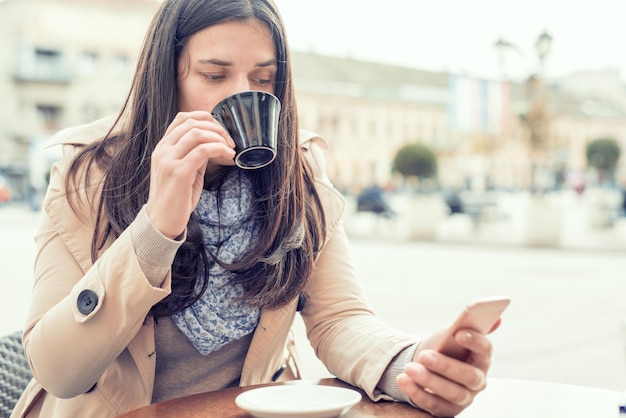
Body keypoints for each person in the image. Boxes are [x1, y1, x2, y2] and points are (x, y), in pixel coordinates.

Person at [11, 1, 499, 417]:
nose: (241, 94)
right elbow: (57, 370)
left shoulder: (298, 171)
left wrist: (411, 365)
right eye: (213, 74)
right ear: (167, 76)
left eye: (262, 78)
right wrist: (155, 228)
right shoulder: (91, 171)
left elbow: (338, 319)